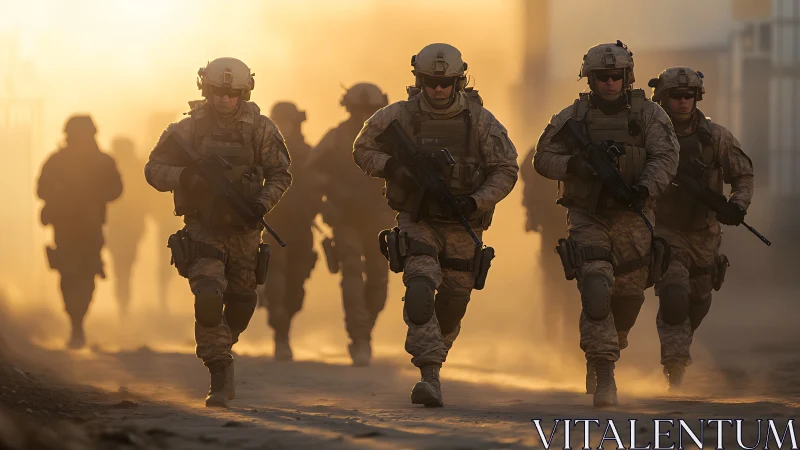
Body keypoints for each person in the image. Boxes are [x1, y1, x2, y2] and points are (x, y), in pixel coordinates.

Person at [353, 43, 519, 406]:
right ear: (419, 80)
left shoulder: (480, 121)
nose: (438, 89)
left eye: (445, 83)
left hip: (463, 223)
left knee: (454, 302)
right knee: (419, 289)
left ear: (459, 81)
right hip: (418, 219)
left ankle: (435, 359)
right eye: (431, 82)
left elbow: (506, 168)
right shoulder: (399, 116)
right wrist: (394, 168)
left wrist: (476, 200)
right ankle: (429, 373)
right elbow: (362, 148)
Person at [533, 41, 680, 407]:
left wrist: (645, 186)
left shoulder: (650, 116)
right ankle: (604, 373)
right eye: (603, 77)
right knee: (597, 287)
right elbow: (543, 157)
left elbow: (666, 156)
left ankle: (610, 347)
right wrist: (575, 165)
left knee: (628, 296)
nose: (611, 83)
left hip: (634, 215)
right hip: (589, 215)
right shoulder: (573, 118)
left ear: (627, 77)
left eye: (616, 76)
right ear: (591, 79)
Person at [144, 57, 291, 407]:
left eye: (232, 93)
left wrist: (261, 203)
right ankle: (219, 373)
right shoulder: (186, 130)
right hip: (203, 227)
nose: (225, 100)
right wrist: (186, 177)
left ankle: (223, 343)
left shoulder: (261, 129)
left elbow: (281, 175)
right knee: (209, 296)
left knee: (241, 302)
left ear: (244, 92)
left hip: (244, 230)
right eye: (218, 92)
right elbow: (153, 169)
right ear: (205, 90)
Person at [647, 67, 754, 390]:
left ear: (697, 98)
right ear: (663, 99)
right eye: (675, 96)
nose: (682, 102)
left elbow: (742, 175)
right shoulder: (650, 135)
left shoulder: (715, 136)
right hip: (665, 230)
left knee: (699, 298)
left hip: (705, 232)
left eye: (688, 96)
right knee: (674, 294)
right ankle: (675, 367)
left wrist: (737, 205)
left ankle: (680, 343)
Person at [306, 83, 394, 366]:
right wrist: (331, 190)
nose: (364, 115)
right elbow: (311, 171)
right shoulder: (335, 137)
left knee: (379, 281)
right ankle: (359, 338)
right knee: (353, 274)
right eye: (359, 110)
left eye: (370, 110)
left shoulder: (393, 138)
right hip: (346, 219)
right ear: (349, 109)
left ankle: (364, 328)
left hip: (381, 220)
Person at [37, 115, 123, 349]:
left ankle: (78, 321)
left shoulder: (102, 162)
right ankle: (75, 323)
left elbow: (116, 189)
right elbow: (41, 189)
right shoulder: (57, 161)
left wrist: (95, 195)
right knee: (69, 273)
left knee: (86, 273)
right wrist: (61, 196)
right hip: (65, 227)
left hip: (91, 226)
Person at [259, 101, 320, 361]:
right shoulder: (261, 151)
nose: (284, 126)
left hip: (301, 226)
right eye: (279, 121)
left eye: (288, 121)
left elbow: (320, 185)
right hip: (273, 224)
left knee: (296, 285)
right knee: (275, 278)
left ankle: (285, 324)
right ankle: (279, 332)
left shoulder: (308, 154)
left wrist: (313, 207)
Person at [106, 137, 150, 315]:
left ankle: (123, 305)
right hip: (122, 226)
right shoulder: (107, 167)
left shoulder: (107, 167)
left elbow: (146, 197)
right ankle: (123, 305)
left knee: (121, 269)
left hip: (124, 226)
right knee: (123, 269)